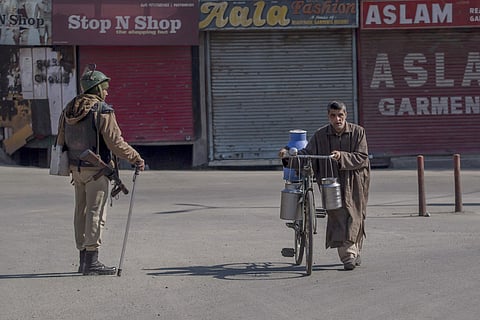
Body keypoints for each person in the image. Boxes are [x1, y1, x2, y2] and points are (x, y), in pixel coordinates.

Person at [56, 66, 145, 275]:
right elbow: (115, 143)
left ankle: (83, 260)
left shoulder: (70, 109)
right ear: (96, 89)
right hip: (97, 170)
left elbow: (60, 140)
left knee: (81, 211)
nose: (107, 92)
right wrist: (136, 158)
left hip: (76, 169)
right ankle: (92, 261)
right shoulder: (101, 110)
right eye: (104, 88)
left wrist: (67, 166)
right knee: (95, 213)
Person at [279, 100, 370, 271]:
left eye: (340, 115)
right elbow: (307, 154)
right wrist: (287, 157)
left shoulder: (358, 132)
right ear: (328, 116)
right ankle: (348, 254)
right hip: (330, 180)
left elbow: (362, 157)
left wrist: (341, 156)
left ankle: (354, 249)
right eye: (333, 116)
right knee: (338, 214)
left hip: (355, 179)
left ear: (346, 116)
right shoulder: (320, 135)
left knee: (356, 214)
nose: (337, 119)